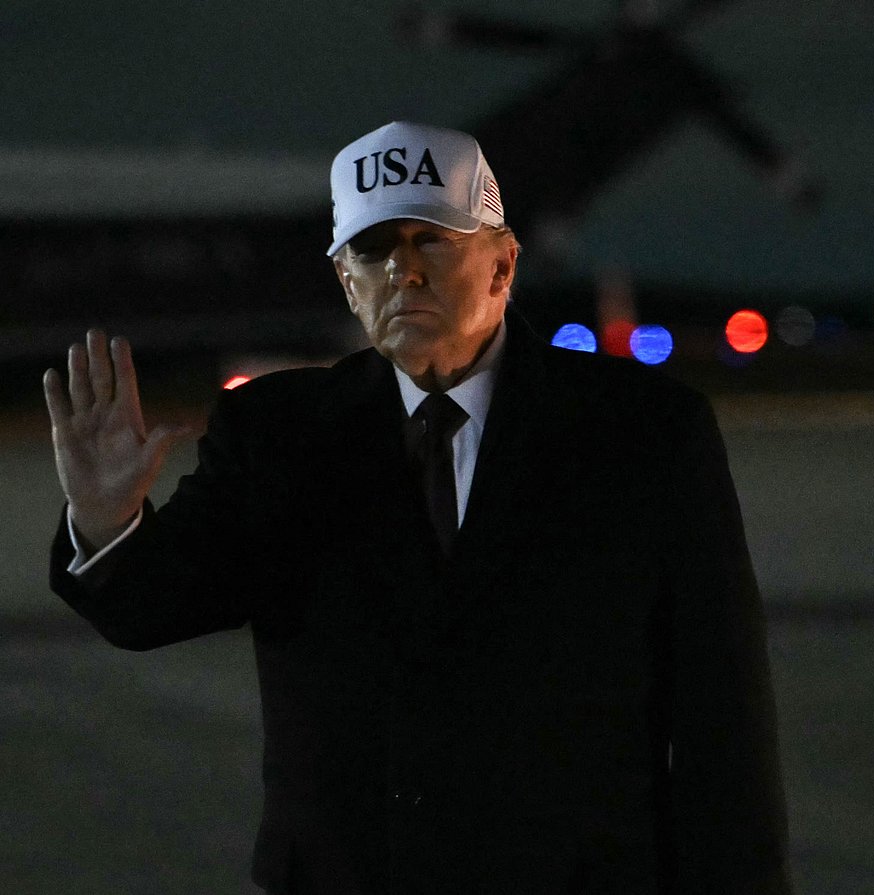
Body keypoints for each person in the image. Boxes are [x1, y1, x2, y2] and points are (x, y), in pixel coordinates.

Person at [43, 121, 791, 894]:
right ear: (344, 281)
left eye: (430, 239)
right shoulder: (279, 432)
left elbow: (722, 716)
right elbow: (154, 604)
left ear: (503, 263)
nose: (403, 271)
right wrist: (108, 519)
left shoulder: (643, 432)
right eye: (372, 250)